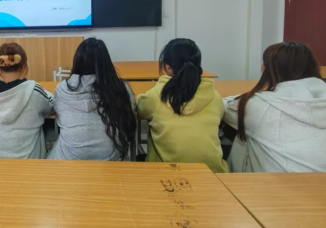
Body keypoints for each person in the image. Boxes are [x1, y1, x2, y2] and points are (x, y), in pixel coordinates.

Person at [223, 42, 326, 173]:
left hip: (278, 183)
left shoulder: (258, 104)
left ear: (268, 70)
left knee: (242, 139)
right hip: (320, 182)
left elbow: (222, 107)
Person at [138, 39, 228, 173]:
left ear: (168, 67)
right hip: (212, 173)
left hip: (166, 174)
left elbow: (139, 112)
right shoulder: (215, 96)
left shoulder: (155, 96)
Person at [48, 38, 137, 161]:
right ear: (106, 62)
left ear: (77, 61)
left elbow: (58, 111)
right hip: (111, 160)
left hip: (70, 160)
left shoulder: (62, 89)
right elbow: (132, 113)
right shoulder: (121, 88)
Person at [0, 43, 54, 159]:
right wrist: (46, 93)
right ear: (24, 67)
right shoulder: (34, 92)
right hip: (28, 164)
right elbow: (50, 107)